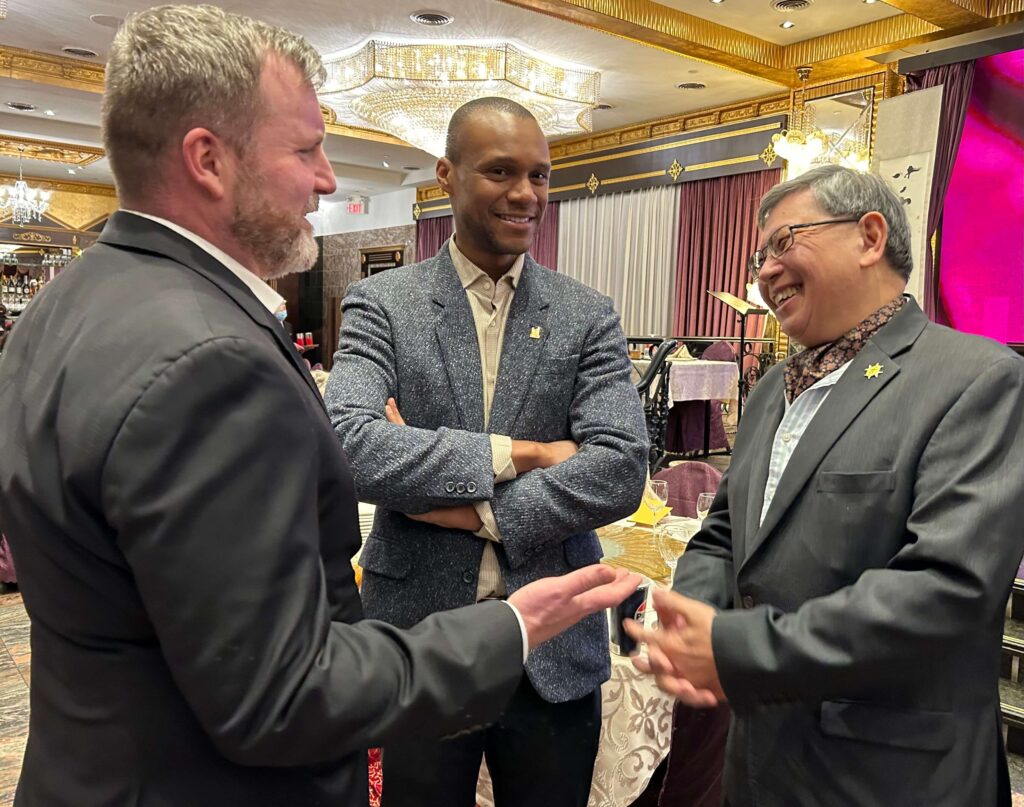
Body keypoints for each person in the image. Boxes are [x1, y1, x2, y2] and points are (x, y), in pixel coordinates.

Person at [0, 8, 642, 806]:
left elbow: (621, 468)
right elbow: (280, 690)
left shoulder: (58, 309)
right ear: (207, 159)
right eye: (306, 149)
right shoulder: (214, 359)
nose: (330, 178)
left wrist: (460, 501)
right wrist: (511, 600)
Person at [627, 164, 1024, 806]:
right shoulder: (769, 395)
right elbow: (726, 536)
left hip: (888, 772)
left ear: (869, 237)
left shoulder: (976, 380)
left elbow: (946, 592)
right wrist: (687, 616)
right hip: (760, 759)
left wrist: (735, 647)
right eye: (759, 257)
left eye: (783, 243)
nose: (762, 272)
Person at [326, 97, 649, 806]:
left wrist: (481, 516)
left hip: (554, 651)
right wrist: (526, 452)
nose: (526, 193)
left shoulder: (584, 313)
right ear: (447, 174)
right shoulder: (383, 303)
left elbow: (622, 463)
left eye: (539, 174)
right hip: (422, 641)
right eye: (501, 170)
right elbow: (347, 442)